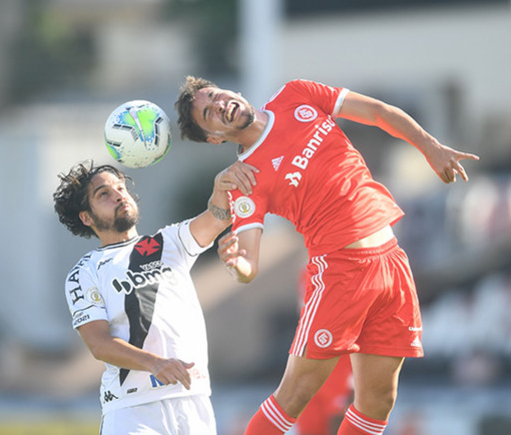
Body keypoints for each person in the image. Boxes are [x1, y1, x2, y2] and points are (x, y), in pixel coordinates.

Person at [175, 76, 479, 434]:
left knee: (379, 400)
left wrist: (430, 146)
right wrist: (235, 263)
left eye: (215, 95)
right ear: (214, 137)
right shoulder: (244, 177)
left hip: (392, 262)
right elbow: (249, 264)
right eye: (209, 113)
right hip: (340, 273)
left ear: (234, 93)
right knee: (297, 392)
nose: (219, 104)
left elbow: (378, 112)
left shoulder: (296, 94)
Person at [53, 160, 256, 434]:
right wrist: (155, 363)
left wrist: (222, 185)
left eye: (120, 187)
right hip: (133, 410)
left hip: (193, 402)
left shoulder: (169, 242)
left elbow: (218, 216)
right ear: (87, 217)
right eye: (103, 193)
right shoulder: (84, 272)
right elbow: (99, 344)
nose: (118, 195)